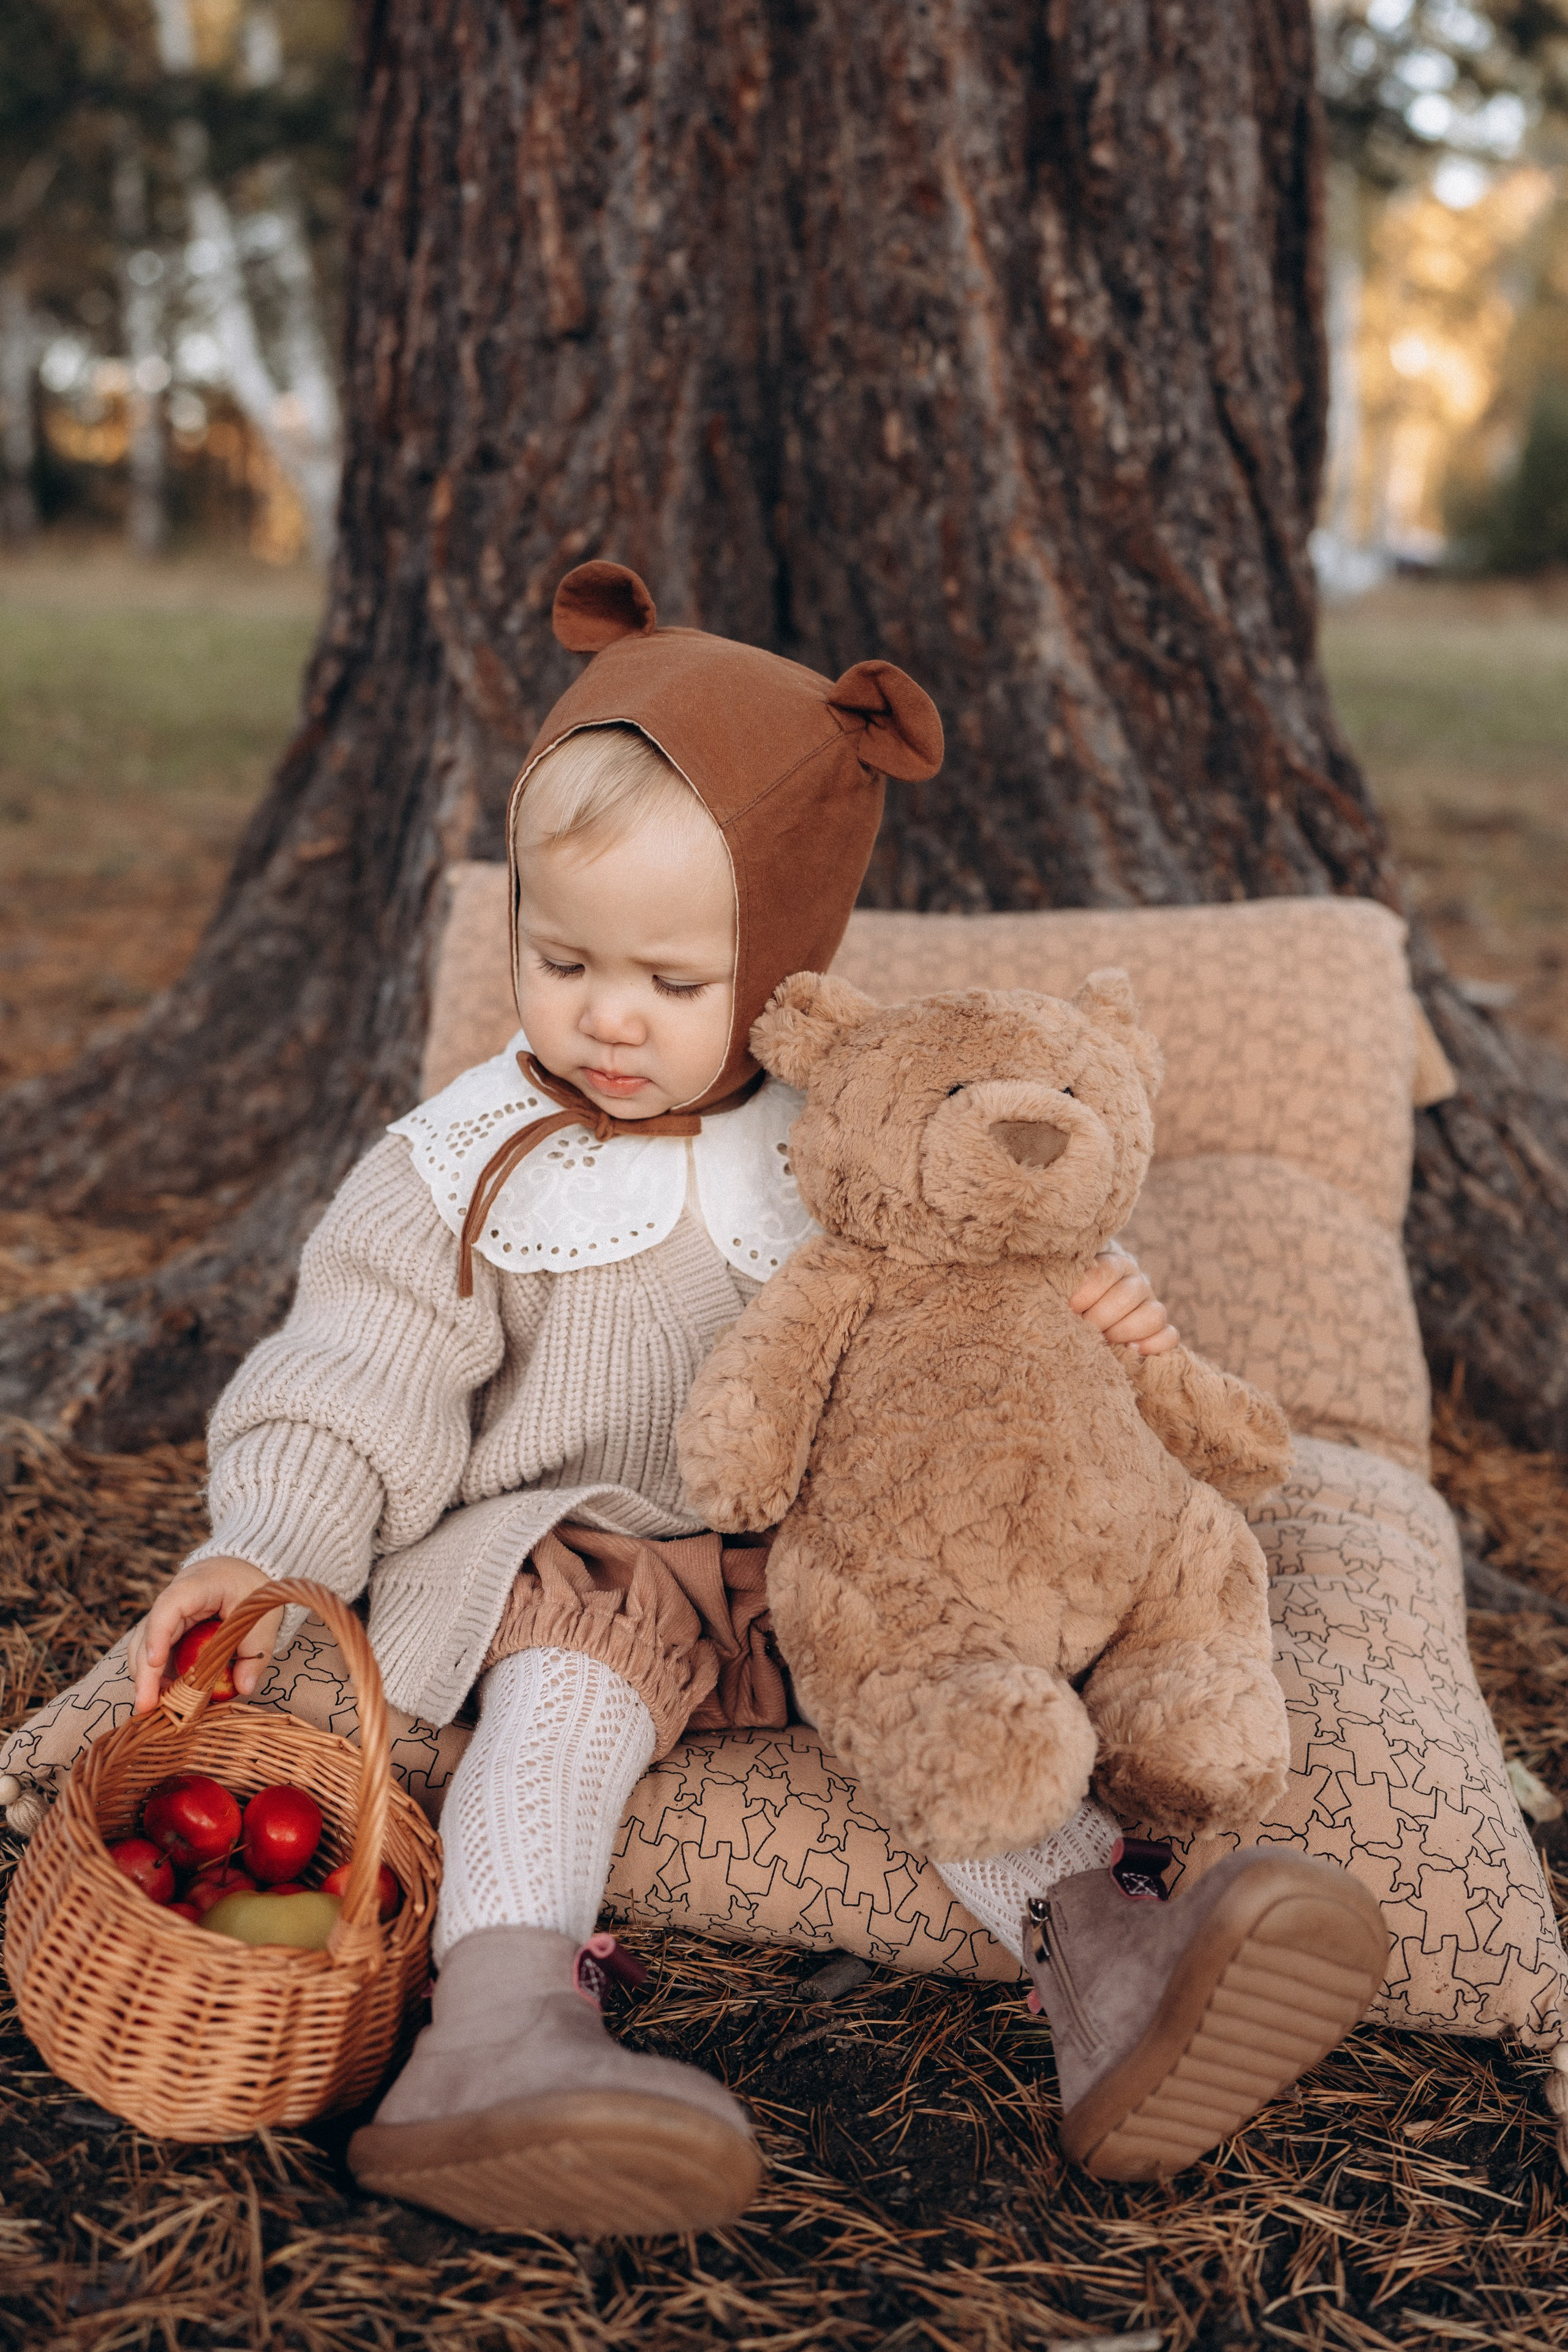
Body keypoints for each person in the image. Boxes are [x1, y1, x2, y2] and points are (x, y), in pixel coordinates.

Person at [1, 562, 1385, 2239]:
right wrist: (266, 1538)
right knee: (562, 1704)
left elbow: (987, 1286)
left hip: (833, 1552)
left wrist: (1110, 1321)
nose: (602, 1015)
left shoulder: (842, 1135)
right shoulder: (465, 1156)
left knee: (938, 1691)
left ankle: (1110, 1959)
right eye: (560, 954)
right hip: (594, 1554)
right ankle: (499, 2026)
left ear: (784, 960)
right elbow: (352, 1363)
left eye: (668, 980)